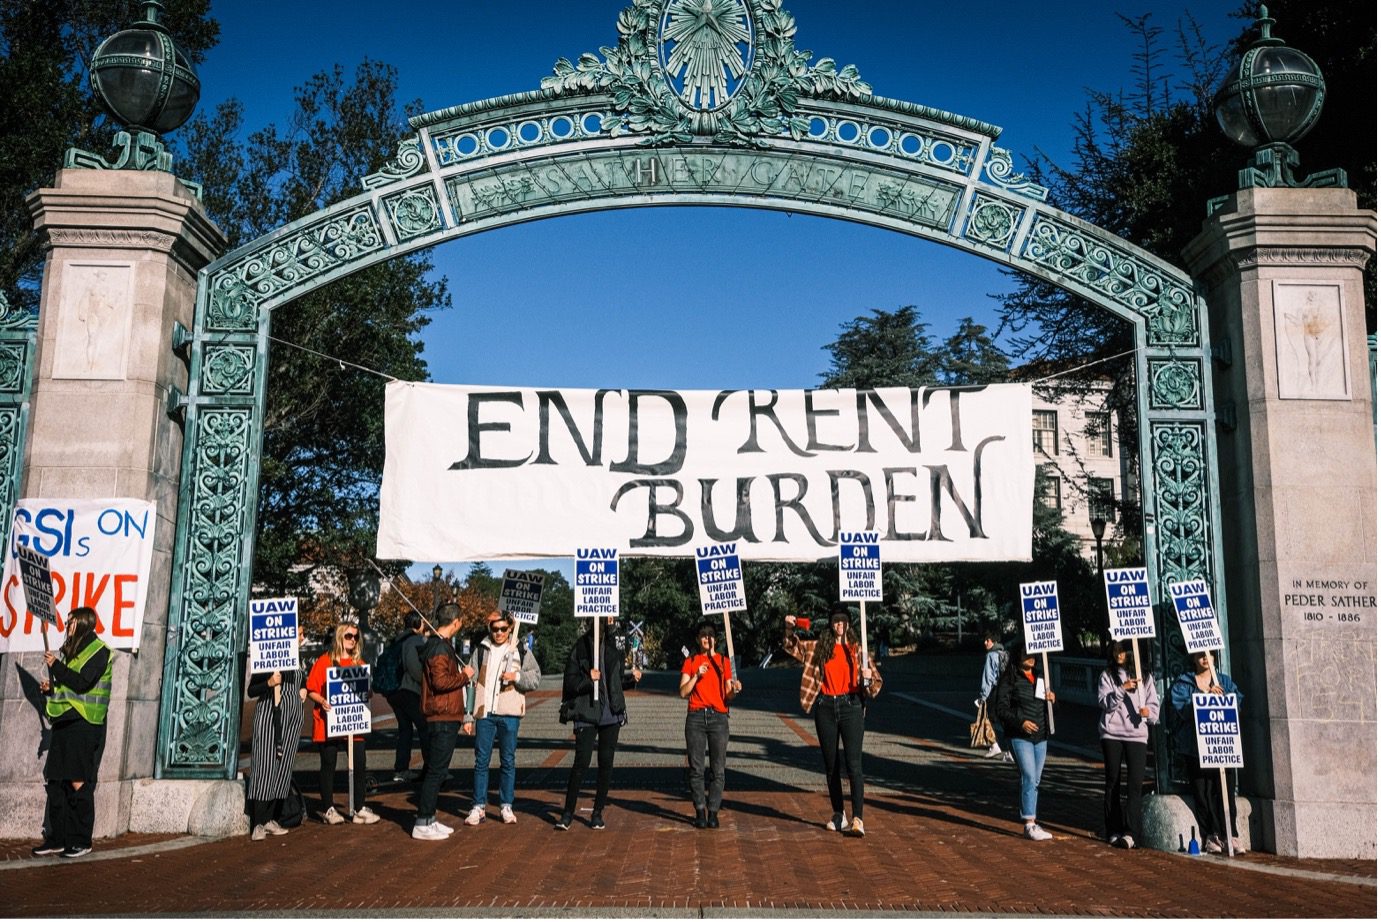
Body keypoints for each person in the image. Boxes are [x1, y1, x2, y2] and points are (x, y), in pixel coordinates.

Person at [782, 603, 883, 837]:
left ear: (849, 623)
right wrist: (788, 629)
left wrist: (868, 678)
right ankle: (839, 814)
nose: (840, 625)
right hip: (825, 706)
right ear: (831, 623)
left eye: (843, 620)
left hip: (851, 706)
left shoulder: (859, 650)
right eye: (836, 620)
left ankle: (858, 818)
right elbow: (791, 647)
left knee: (854, 765)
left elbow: (876, 686)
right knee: (831, 766)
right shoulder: (819, 648)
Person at [32, 607, 112, 859]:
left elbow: (82, 683)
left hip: (85, 723)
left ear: (84, 623)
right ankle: (58, 838)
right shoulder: (71, 650)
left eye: (71, 621)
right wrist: (50, 689)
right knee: (56, 779)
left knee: (76, 779)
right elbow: (67, 687)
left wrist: (55, 666)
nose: (67, 625)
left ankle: (81, 839)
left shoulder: (100, 651)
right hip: (65, 721)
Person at [556, 615, 643, 830]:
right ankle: (568, 813)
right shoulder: (581, 647)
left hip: (610, 713)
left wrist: (632, 679)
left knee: (606, 763)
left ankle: (597, 812)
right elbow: (569, 683)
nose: (605, 625)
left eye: (607, 622)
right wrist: (588, 680)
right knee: (581, 762)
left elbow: (614, 681)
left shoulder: (614, 647)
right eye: (601, 621)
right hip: (587, 712)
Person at [461, 610, 541, 825]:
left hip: (509, 713)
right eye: (494, 629)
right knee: (481, 761)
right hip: (485, 712)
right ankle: (478, 806)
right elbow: (470, 682)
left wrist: (516, 677)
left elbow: (535, 678)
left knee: (508, 760)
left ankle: (506, 805)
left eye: (503, 629)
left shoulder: (521, 650)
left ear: (510, 628)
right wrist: (468, 715)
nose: (498, 633)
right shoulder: (481, 650)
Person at [1169, 649, 1245, 854]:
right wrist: (1203, 697)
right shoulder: (1184, 683)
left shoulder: (1225, 682)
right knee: (1203, 794)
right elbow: (1180, 708)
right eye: (1200, 654)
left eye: (1210, 654)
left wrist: (1224, 697)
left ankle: (1231, 834)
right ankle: (1211, 835)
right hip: (1195, 748)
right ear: (1193, 658)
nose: (1205, 657)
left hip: (1222, 745)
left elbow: (1237, 702)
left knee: (1225, 792)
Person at [305, 624, 380, 825]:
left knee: (359, 764)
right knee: (328, 765)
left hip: (353, 723)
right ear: (340, 637)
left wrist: (367, 692)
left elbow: (365, 689)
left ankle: (359, 806)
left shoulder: (359, 662)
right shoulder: (324, 661)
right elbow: (311, 688)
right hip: (328, 721)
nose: (352, 640)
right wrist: (322, 701)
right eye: (348, 636)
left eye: (356, 636)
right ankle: (328, 807)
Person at [245, 623, 307, 841]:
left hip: (292, 717)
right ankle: (258, 822)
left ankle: (272, 817)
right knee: (265, 765)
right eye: (299, 634)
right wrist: (270, 682)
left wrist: (304, 688)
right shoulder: (269, 659)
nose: (303, 637)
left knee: (283, 767)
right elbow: (252, 690)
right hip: (270, 715)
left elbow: (302, 680)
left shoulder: (300, 659)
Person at [991, 641, 1057, 841]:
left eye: (1034, 654)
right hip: (1020, 736)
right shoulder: (1009, 679)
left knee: (1035, 779)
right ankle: (1029, 823)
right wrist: (1021, 723)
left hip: (1041, 736)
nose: (1031, 658)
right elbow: (1001, 709)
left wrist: (1053, 700)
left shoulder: (1040, 677)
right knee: (1028, 776)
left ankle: (1033, 821)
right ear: (1018, 656)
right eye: (1027, 654)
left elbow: (1046, 708)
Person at [1098, 638, 1160, 849]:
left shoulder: (1146, 677)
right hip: (1112, 734)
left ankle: (1130, 832)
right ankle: (1113, 829)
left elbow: (1154, 708)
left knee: (1135, 784)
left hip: (1136, 735)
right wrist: (1121, 689)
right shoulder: (1107, 675)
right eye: (1114, 650)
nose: (1118, 654)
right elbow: (1105, 704)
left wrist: (1148, 713)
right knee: (1113, 782)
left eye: (1121, 650)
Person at [413, 603, 467, 840]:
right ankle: (423, 822)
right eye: (461, 621)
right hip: (442, 715)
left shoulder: (439, 646)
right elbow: (441, 682)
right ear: (455, 622)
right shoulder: (439, 648)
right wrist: (465, 676)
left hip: (444, 715)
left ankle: (429, 819)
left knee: (438, 770)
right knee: (436, 771)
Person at [680, 620, 741, 829]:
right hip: (696, 717)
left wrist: (735, 689)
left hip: (719, 718)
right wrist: (697, 675)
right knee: (696, 768)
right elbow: (683, 692)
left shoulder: (723, 662)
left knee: (718, 769)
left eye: (711, 635)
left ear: (716, 639)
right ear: (698, 639)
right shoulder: (691, 661)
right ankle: (699, 810)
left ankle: (713, 811)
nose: (707, 639)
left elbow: (728, 695)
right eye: (703, 635)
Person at [382, 612, 429, 783]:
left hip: (392, 691)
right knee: (424, 728)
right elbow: (415, 668)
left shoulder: (396, 639)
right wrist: (426, 683)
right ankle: (431, 767)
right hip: (408, 690)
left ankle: (401, 768)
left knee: (405, 729)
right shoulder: (415, 641)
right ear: (418, 623)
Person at [976, 631, 1011, 760]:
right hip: (1007, 691)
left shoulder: (990, 655)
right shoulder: (1005, 653)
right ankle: (1011, 750)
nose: (985, 642)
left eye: (988, 640)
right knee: (1006, 721)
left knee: (986, 719)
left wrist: (983, 697)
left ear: (994, 642)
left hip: (995, 692)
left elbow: (988, 678)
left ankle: (994, 745)